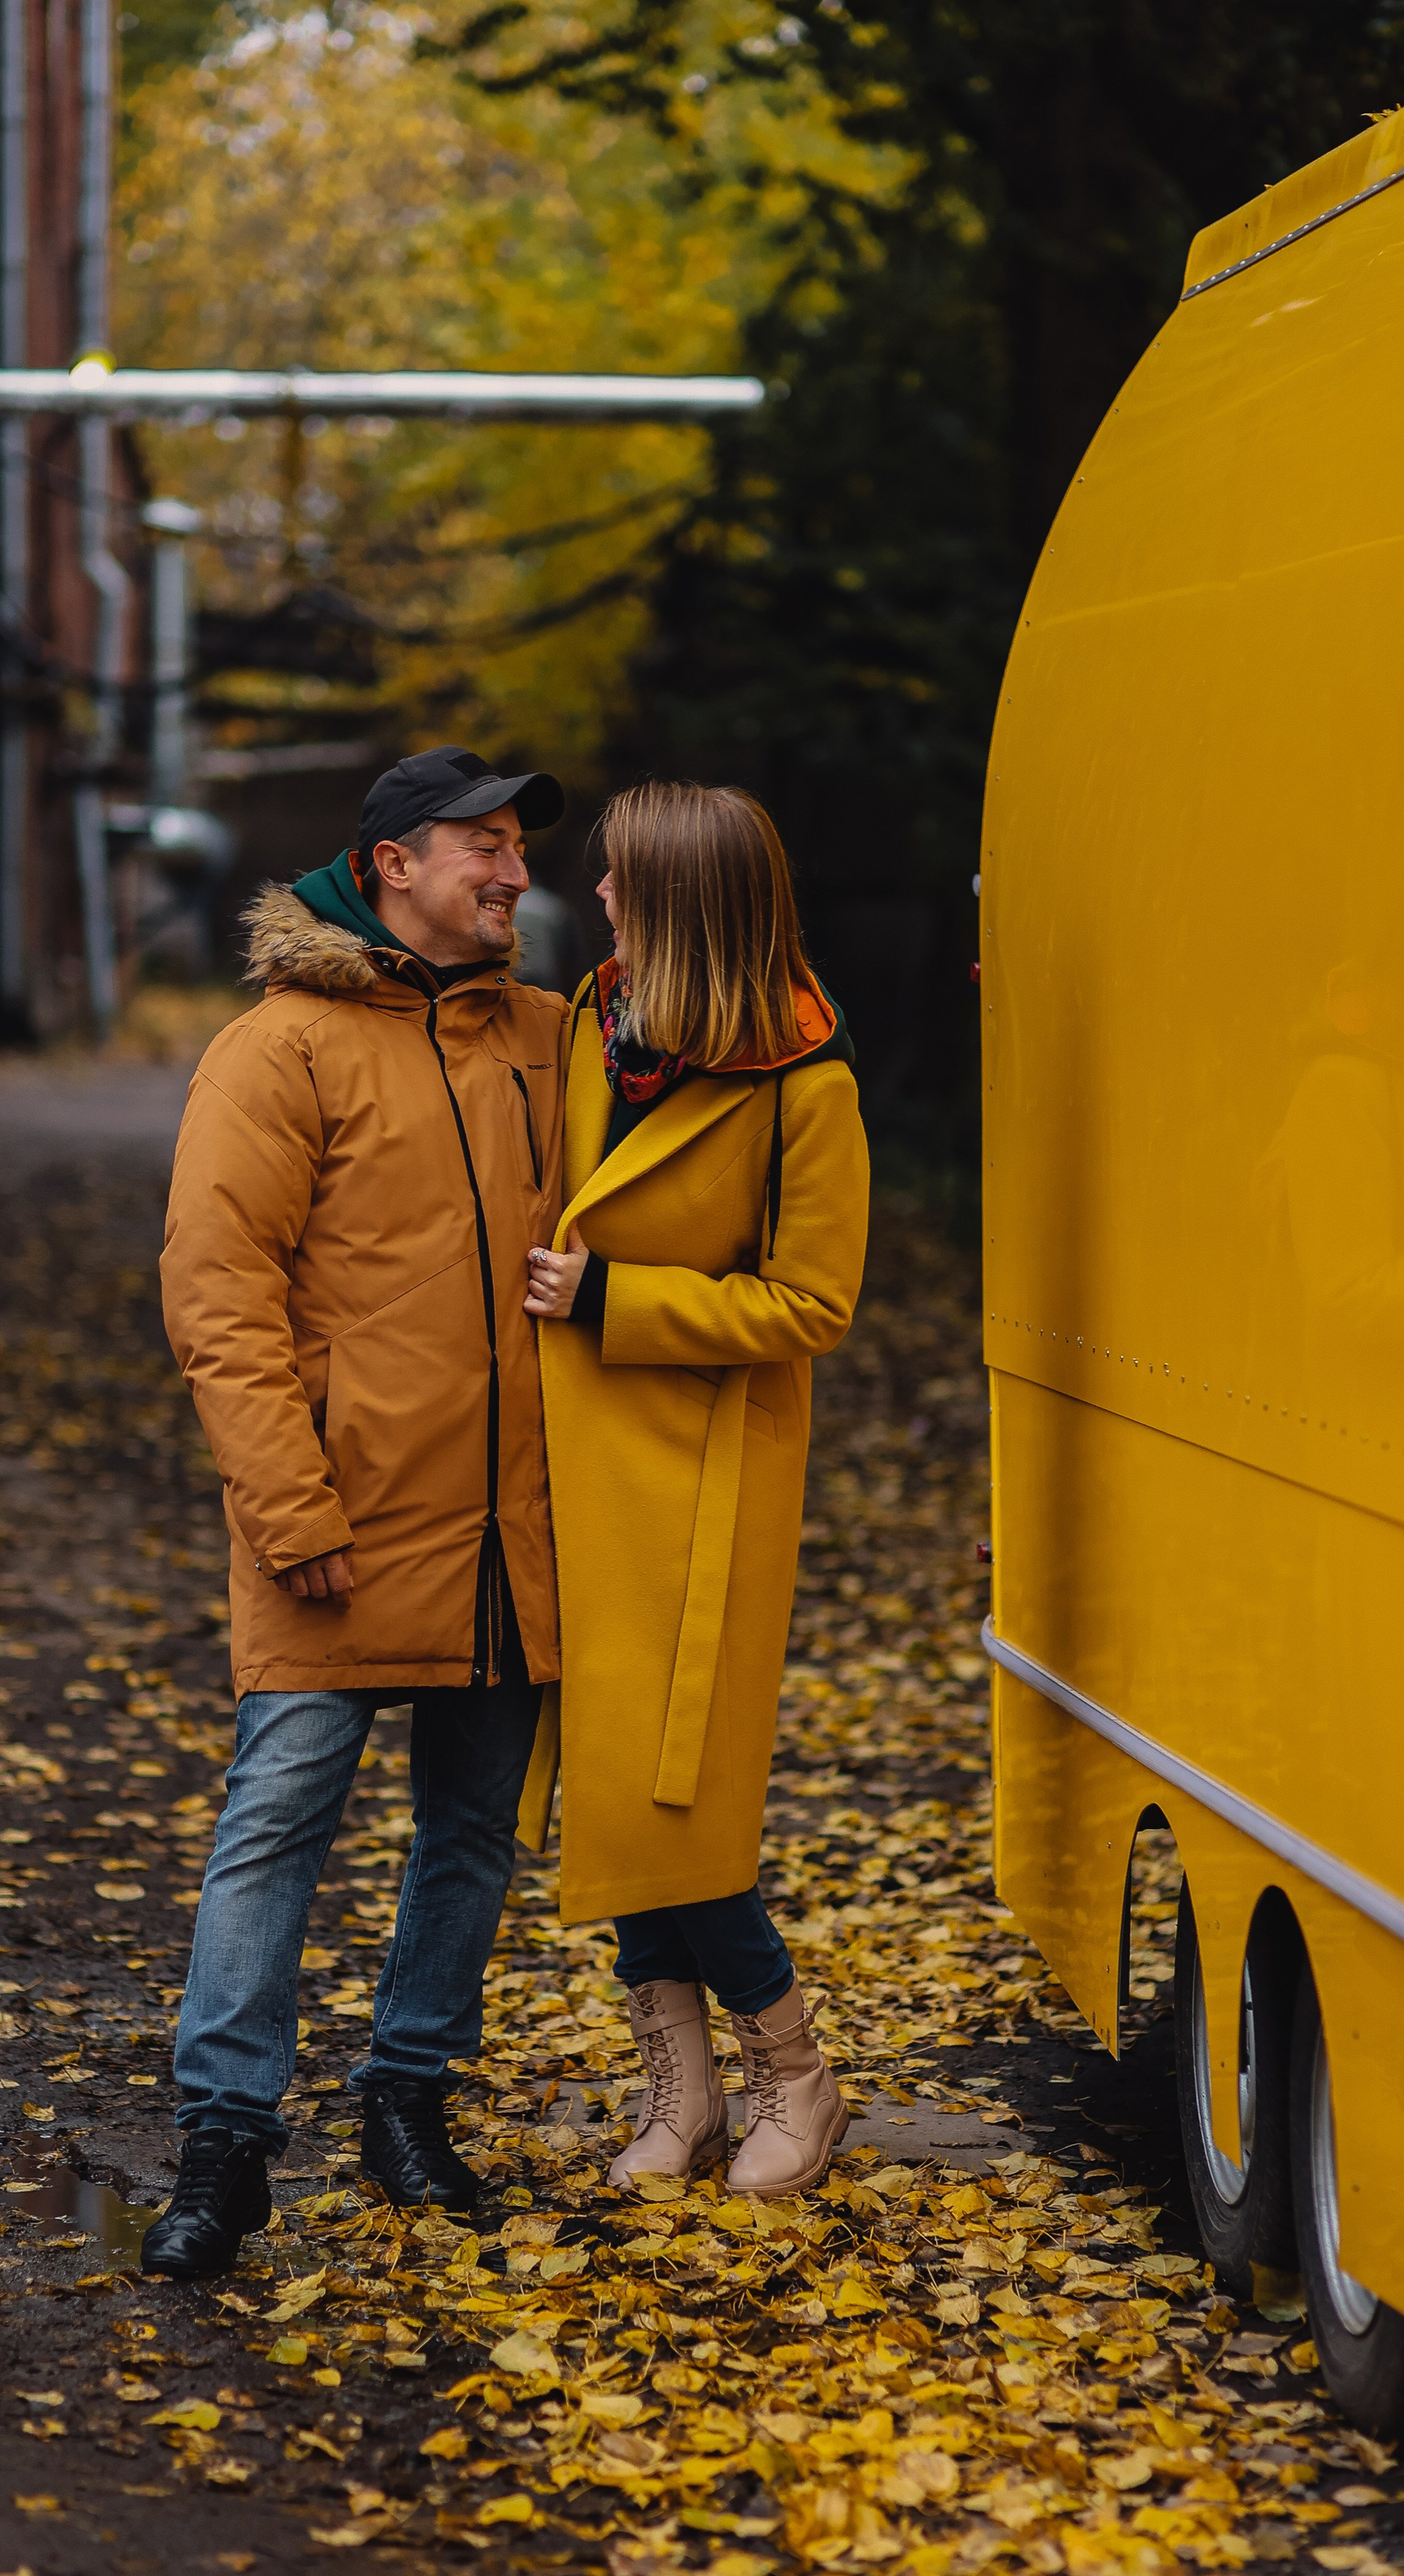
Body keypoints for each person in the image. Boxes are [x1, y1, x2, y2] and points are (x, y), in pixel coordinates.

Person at [143, 746, 568, 2278]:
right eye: (483, 844)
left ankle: (408, 2101)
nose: (511, 872)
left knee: (469, 1838)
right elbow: (218, 1291)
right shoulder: (283, 1050)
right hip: (336, 1526)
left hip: (511, 1536)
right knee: (275, 1831)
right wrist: (286, 1501)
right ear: (392, 859)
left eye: (519, 847)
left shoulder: (548, 1037)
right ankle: (223, 2146)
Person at [522, 780, 869, 2197]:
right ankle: (684, 2089)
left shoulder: (803, 1078)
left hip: (701, 1481)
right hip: (576, 1469)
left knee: (680, 1809)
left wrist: (618, 1300)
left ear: (680, 901)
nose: (595, 895)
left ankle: (801, 2073)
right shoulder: (590, 1030)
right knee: (618, 1801)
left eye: (618, 879)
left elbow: (815, 1301)